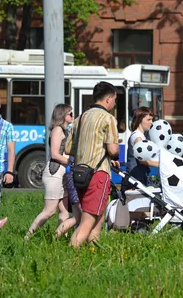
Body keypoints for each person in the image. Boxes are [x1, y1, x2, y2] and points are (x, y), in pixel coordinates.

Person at [66, 81, 120, 247]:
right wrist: (114, 152)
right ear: (109, 99)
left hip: (80, 174)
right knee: (87, 222)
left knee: (98, 218)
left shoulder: (80, 118)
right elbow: (113, 150)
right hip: (98, 174)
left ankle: (92, 254)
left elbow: (69, 149)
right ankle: (67, 258)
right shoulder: (108, 119)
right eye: (115, 100)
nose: (115, 103)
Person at [25, 104, 73, 240]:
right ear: (63, 115)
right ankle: (28, 237)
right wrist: (71, 162)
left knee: (64, 210)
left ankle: (60, 238)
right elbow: (54, 154)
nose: (72, 116)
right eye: (71, 114)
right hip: (54, 174)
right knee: (50, 210)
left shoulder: (66, 130)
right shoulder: (57, 130)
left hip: (62, 174)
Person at [55, 155, 82, 238]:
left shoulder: (72, 152)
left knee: (77, 216)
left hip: (73, 181)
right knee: (80, 216)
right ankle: (56, 236)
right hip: (78, 182)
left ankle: (56, 237)